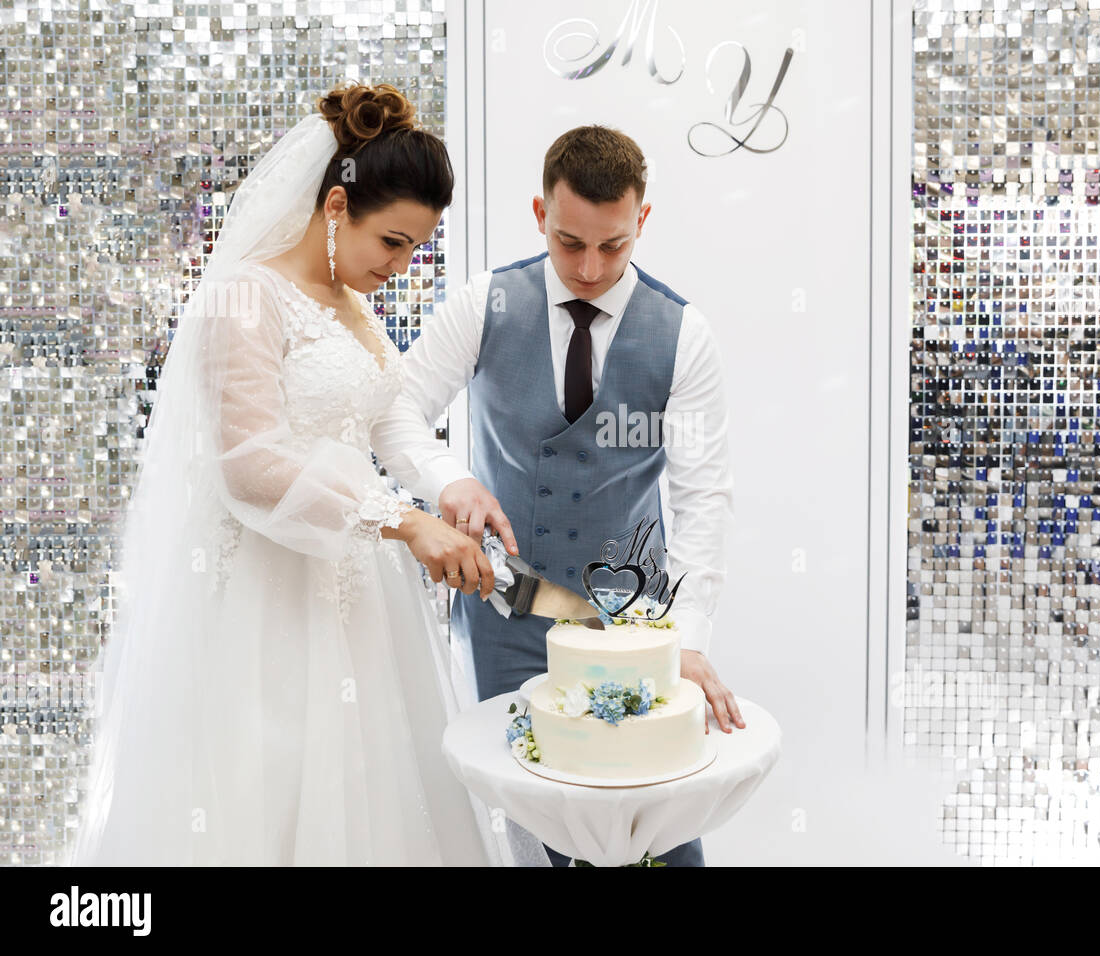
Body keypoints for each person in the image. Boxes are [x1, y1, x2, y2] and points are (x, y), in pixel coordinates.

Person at [69, 83, 498, 865]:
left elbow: (383, 420)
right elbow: (250, 462)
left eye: (417, 250)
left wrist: (449, 489)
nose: (402, 267)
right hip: (263, 600)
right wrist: (400, 520)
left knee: (370, 793)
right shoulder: (246, 295)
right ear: (337, 206)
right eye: (393, 243)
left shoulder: (352, 305)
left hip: (352, 595)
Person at [371, 125, 744, 867]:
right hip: (510, 609)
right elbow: (394, 408)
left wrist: (688, 639)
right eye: (571, 242)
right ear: (540, 213)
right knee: (537, 821)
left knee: (654, 828)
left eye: (613, 246)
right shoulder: (487, 304)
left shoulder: (684, 335)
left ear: (643, 221)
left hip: (635, 622)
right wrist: (451, 479)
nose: (589, 266)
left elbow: (704, 497)